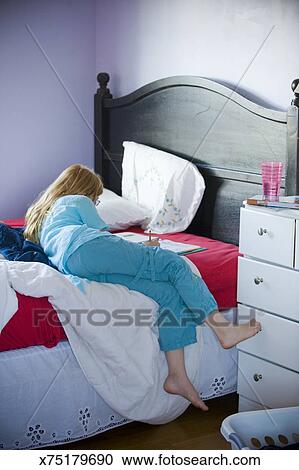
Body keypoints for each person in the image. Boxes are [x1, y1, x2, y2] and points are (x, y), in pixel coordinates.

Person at [24, 164, 261, 411]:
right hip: (87, 247)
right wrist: (144, 251)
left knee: (167, 294)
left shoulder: (46, 217)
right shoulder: (76, 200)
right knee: (175, 264)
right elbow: (103, 238)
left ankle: (177, 376)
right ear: (84, 190)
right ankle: (223, 330)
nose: (94, 203)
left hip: (75, 265)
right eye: (96, 199)